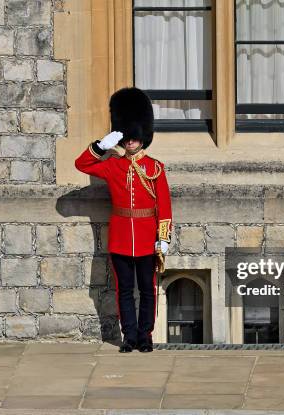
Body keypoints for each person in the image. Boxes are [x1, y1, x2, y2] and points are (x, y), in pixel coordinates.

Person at [75, 87, 172, 353]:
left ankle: (145, 335)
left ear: (142, 137)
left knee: (148, 291)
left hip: (146, 238)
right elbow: (81, 165)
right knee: (125, 291)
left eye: (133, 137)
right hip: (120, 238)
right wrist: (99, 147)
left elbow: (164, 206)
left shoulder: (155, 168)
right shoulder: (114, 165)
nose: (129, 141)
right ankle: (129, 336)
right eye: (126, 138)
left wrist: (162, 238)